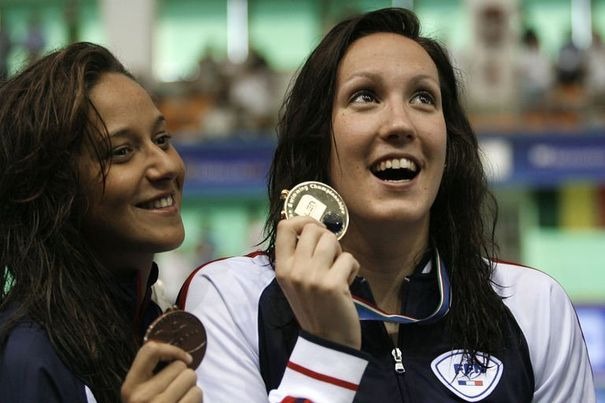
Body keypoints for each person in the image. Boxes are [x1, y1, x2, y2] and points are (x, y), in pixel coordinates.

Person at [178, 7, 595, 403]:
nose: (400, 123)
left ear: (449, 145)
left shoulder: (533, 306)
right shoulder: (232, 299)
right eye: (365, 96)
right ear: (317, 137)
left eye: (423, 98)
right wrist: (326, 351)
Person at [0, 42, 202, 403]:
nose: (167, 166)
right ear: (57, 187)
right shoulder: (28, 355)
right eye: (121, 152)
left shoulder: (143, 314)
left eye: (162, 140)